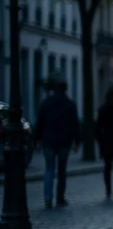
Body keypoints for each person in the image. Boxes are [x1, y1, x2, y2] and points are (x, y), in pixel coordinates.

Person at [34, 79, 80, 208]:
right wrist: (76, 141)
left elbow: (40, 122)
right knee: (61, 171)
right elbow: (74, 125)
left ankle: (47, 198)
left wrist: (37, 139)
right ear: (66, 89)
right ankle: (60, 198)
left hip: (48, 141)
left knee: (49, 169)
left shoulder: (46, 103)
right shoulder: (70, 104)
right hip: (64, 142)